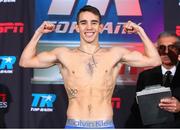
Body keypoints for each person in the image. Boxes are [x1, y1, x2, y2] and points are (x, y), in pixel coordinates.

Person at [19, 5, 161, 129]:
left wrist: (140, 31)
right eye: (83, 23)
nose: (89, 27)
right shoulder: (63, 54)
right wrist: (38, 33)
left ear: (100, 27)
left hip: (104, 124)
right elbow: (25, 61)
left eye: (94, 23)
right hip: (74, 124)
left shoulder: (115, 54)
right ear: (77, 27)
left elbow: (154, 60)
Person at [126, 32, 180, 128]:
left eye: (171, 47)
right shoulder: (145, 76)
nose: (166, 52)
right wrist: (142, 104)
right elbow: (135, 112)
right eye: (162, 48)